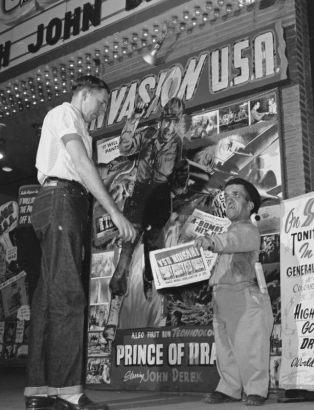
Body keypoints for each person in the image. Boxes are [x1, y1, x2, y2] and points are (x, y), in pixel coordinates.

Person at [25, 75, 137, 410]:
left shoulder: (68, 120)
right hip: (62, 199)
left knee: (48, 299)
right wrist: (115, 212)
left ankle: (40, 391)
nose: (101, 110)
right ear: (84, 94)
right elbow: (81, 162)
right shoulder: (66, 114)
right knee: (70, 295)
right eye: (100, 102)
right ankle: (69, 391)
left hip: (55, 202)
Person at [102, 98, 185, 341]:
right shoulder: (148, 134)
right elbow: (125, 148)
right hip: (137, 203)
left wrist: (177, 197)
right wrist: (133, 119)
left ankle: (162, 312)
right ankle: (112, 317)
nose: (170, 127)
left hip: (159, 205)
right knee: (125, 258)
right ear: (161, 120)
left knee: (155, 263)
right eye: (167, 121)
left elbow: (178, 181)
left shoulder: (178, 144)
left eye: (175, 122)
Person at [194, 178, 273, 407]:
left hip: (244, 296)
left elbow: (232, 240)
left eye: (236, 195)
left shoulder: (248, 230)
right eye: (226, 196)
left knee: (250, 345)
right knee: (225, 347)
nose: (229, 199)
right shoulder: (228, 231)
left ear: (250, 206)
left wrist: (210, 241)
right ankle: (230, 387)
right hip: (222, 296)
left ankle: (255, 389)